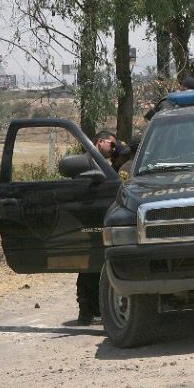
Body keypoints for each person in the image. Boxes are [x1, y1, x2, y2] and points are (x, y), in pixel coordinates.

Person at [77, 130, 117, 325]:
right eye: (112, 144)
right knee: (89, 265)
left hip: (96, 218)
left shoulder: (99, 162)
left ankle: (94, 309)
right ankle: (86, 309)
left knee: (96, 264)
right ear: (100, 142)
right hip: (88, 220)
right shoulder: (87, 162)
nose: (113, 148)